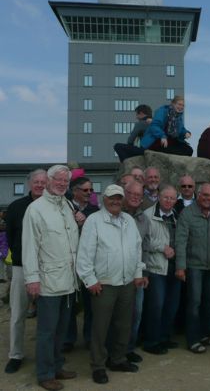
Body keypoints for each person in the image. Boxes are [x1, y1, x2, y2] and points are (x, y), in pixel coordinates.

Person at [76, 184, 146, 385]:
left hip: (127, 282)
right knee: (100, 327)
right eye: (111, 198)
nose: (115, 201)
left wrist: (138, 273)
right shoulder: (94, 221)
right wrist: (90, 280)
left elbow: (137, 249)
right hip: (104, 284)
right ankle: (98, 365)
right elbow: (85, 254)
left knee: (124, 324)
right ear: (103, 199)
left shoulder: (129, 221)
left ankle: (118, 359)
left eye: (118, 198)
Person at [22, 165, 80, 391]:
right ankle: (45, 374)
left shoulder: (66, 205)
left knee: (61, 329)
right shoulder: (35, 210)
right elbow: (29, 247)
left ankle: (57, 366)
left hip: (68, 280)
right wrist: (32, 279)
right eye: (58, 180)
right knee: (46, 331)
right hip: (47, 281)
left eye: (66, 181)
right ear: (48, 181)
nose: (62, 184)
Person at [4, 169, 47, 374]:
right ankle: (16, 354)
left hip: (47, 268)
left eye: (43, 182)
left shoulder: (52, 206)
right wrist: (22, 257)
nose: (40, 185)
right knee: (18, 313)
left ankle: (47, 354)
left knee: (48, 316)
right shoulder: (16, 207)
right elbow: (11, 237)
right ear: (30, 184)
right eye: (36, 182)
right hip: (22, 267)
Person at [175, 183, 210, 353]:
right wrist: (180, 267)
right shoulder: (187, 214)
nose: (208, 199)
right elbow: (180, 241)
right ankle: (193, 339)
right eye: (205, 195)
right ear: (198, 195)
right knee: (194, 303)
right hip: (194, 266)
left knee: (209, 302)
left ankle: (204, 334)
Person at [142, 185, 180, 355]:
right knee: (156, 307)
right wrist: (161, 247)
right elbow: (142, 241)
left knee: (170, 306)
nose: (169, 201)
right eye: (166, 197)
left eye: (172, 198)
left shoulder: (176, 215)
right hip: (156, 267)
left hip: (173, 267)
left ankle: (164, 337)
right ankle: (151, 341)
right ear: (159, 197)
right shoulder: (148, 215)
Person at [64, 177, 100, 352]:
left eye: (91, 190)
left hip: (89, 263)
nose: (89, 193)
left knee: (90, 304)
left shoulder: (95, 211)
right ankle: (68, 339)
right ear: (74, 191)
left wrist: (86, 223)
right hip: (68, 263)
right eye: (85, 190)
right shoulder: (64, 208)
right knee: (70, 303)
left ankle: (89, 338)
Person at [122, 181, 150, 364]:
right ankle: (115, 350)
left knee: (136, 313)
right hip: (116, 274)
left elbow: (145, 247)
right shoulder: (116, 214)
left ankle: (129, 348)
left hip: (137, 273)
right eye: (132, 193)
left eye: (139, 196)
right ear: (125, 193)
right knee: (118, 314)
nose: (135, 197)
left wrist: (144, 272)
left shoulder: (143, 219)